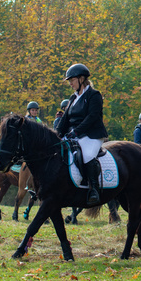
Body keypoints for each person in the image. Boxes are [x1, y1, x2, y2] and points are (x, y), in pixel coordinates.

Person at [55, 64, 108, 205]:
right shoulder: (73, 98)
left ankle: (94, 190)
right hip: (74, 134)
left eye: (72, 80)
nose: (70, 83)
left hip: (92, 135)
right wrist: (56, 134)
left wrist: (76, 131)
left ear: (81, 78)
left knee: (87, 155)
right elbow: (65, 119)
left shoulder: (94, 95)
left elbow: (92, 117)